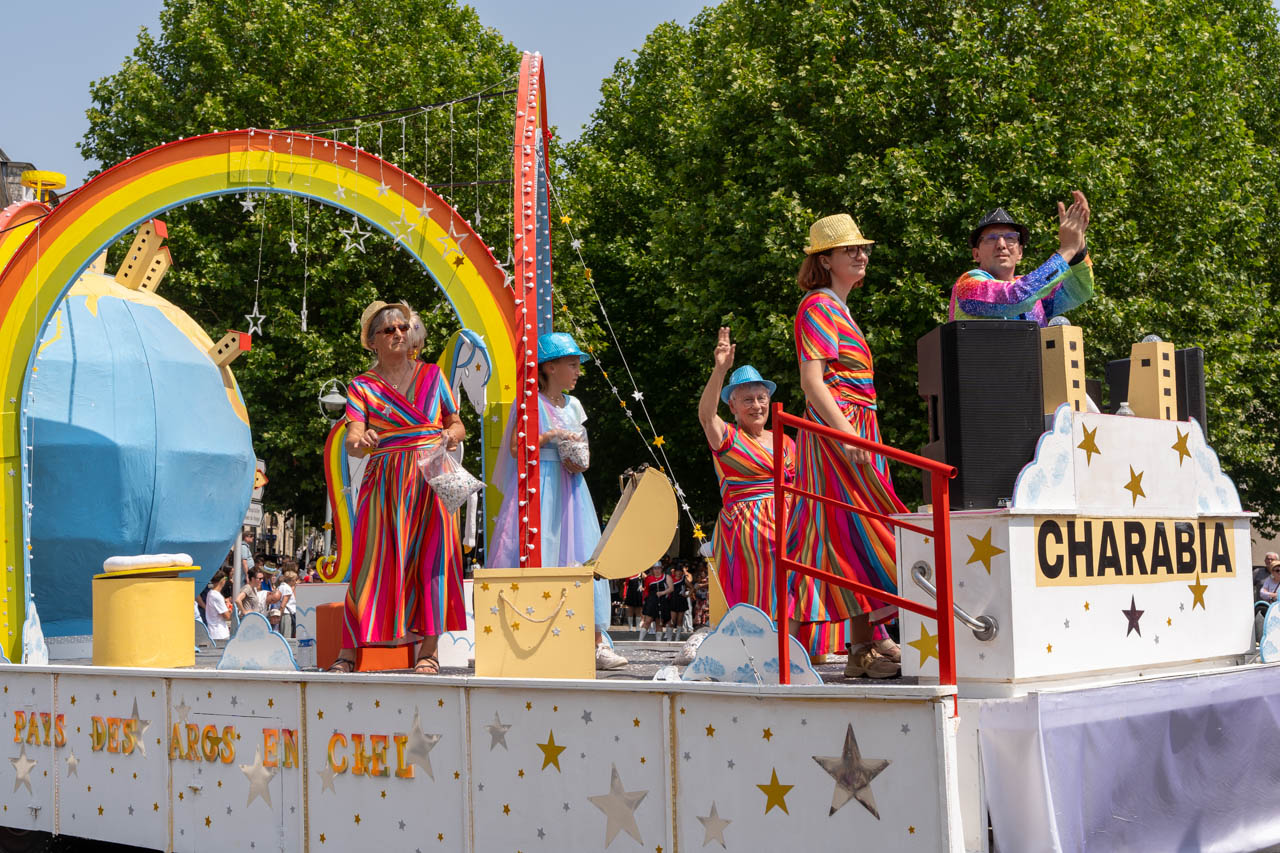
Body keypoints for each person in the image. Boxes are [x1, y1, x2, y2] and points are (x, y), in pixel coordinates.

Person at [786, 213, 907, 679]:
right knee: (852, 528)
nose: (861, 255)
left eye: (863, 248)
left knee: (853, 530)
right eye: (849, 249)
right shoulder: (818, 305)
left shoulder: (839, 306)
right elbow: (812, 382)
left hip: (857, 427)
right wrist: (847, 433)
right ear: (824, 260)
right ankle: (865, 641)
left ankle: (864, 644)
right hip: (841, 429)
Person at [331, 300, 468, 675]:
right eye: (388, 330)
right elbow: (352, 438)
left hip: (432, 473)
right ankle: (349, 651)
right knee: (370, 562)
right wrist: (363, 440)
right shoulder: (362, 385)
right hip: (387, 479)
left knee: (435, 559)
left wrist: (450, 435)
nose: (398, 334)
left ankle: (430, 652)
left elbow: (457, 424)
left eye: (402, 327)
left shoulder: (433, 375)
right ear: (372, 342)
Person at [489, 332, 627, 669]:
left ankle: (595, 641)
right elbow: (514, 450)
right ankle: (523, 635)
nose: (578, 371)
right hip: (539, 485)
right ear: (550, 367)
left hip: (571, 487)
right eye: (572, 364)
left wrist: (579, 456)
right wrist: (549, 437)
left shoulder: (576, 406)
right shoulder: (529, 403)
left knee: (581, 554)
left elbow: (584, 446)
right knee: (540, 550)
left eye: (578, 364)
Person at [698, 327, 804, 639]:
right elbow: (706, 415)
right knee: (759, 579)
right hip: (748, 523)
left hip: (789, 518)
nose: (757, 405)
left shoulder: (785, 439)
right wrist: (720, 370)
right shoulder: (728, 437)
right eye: (747, 400)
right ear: (732, 406)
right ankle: (761, 642)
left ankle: (795, 644)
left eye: (762, 398)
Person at [949, 193, 1093, 326]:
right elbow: (1015, 297)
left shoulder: (1035, 293)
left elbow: (1079, 291)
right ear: (976, 254)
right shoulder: (968, 285)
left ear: (1020, 252)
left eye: (1010, 238)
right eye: (991, 238)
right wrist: (1067, 250)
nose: (1001, 245)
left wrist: (1078, 247)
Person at [638, 563, 670, 641]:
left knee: (659, 623)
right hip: (651, 602)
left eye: (658, 568)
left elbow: (669, 590)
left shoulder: (665, 577)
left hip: (662, 602)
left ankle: (658, 642)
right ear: (652, 569)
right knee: (647, 621)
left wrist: (665, 597)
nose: (657, 570)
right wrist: (644, 601)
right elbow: (646, 591)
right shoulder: (648, 578)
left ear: (661, 568)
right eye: (655, 568)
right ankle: (640, 640)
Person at [204, 571, 232, 642]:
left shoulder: (210, 593)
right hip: (220, 634)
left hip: (214, 632)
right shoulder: (217, 596)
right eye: (225, 578)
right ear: (222, 580)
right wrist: (231, 609)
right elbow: (227, 616)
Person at [277, 568, 297, 638]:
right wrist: (279, 617)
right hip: (286, 615)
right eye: (295, 580)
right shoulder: (287, 588)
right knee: (287, 637)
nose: (296, 582)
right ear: (291, 580)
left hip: (283, 614)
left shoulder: (280, 586)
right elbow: (283, 604)